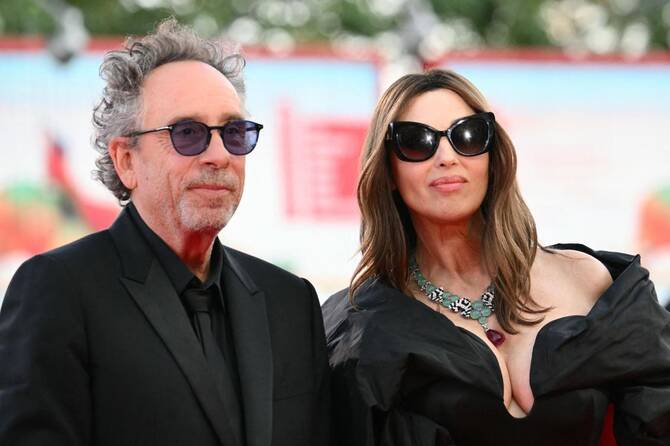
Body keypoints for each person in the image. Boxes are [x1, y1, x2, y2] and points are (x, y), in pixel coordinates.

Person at [0, 19, 329, 446]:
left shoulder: (289, 301)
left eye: (233, 133)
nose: (218, 155)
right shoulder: (59, 290)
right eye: (187, 133)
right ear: (126, 161)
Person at [322, 69, 670, 446]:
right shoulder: (362, 328)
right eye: (416, 142)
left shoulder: (589, 280)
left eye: (468, 135)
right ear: (388, 170)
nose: (446, 157)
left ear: (492, 155)